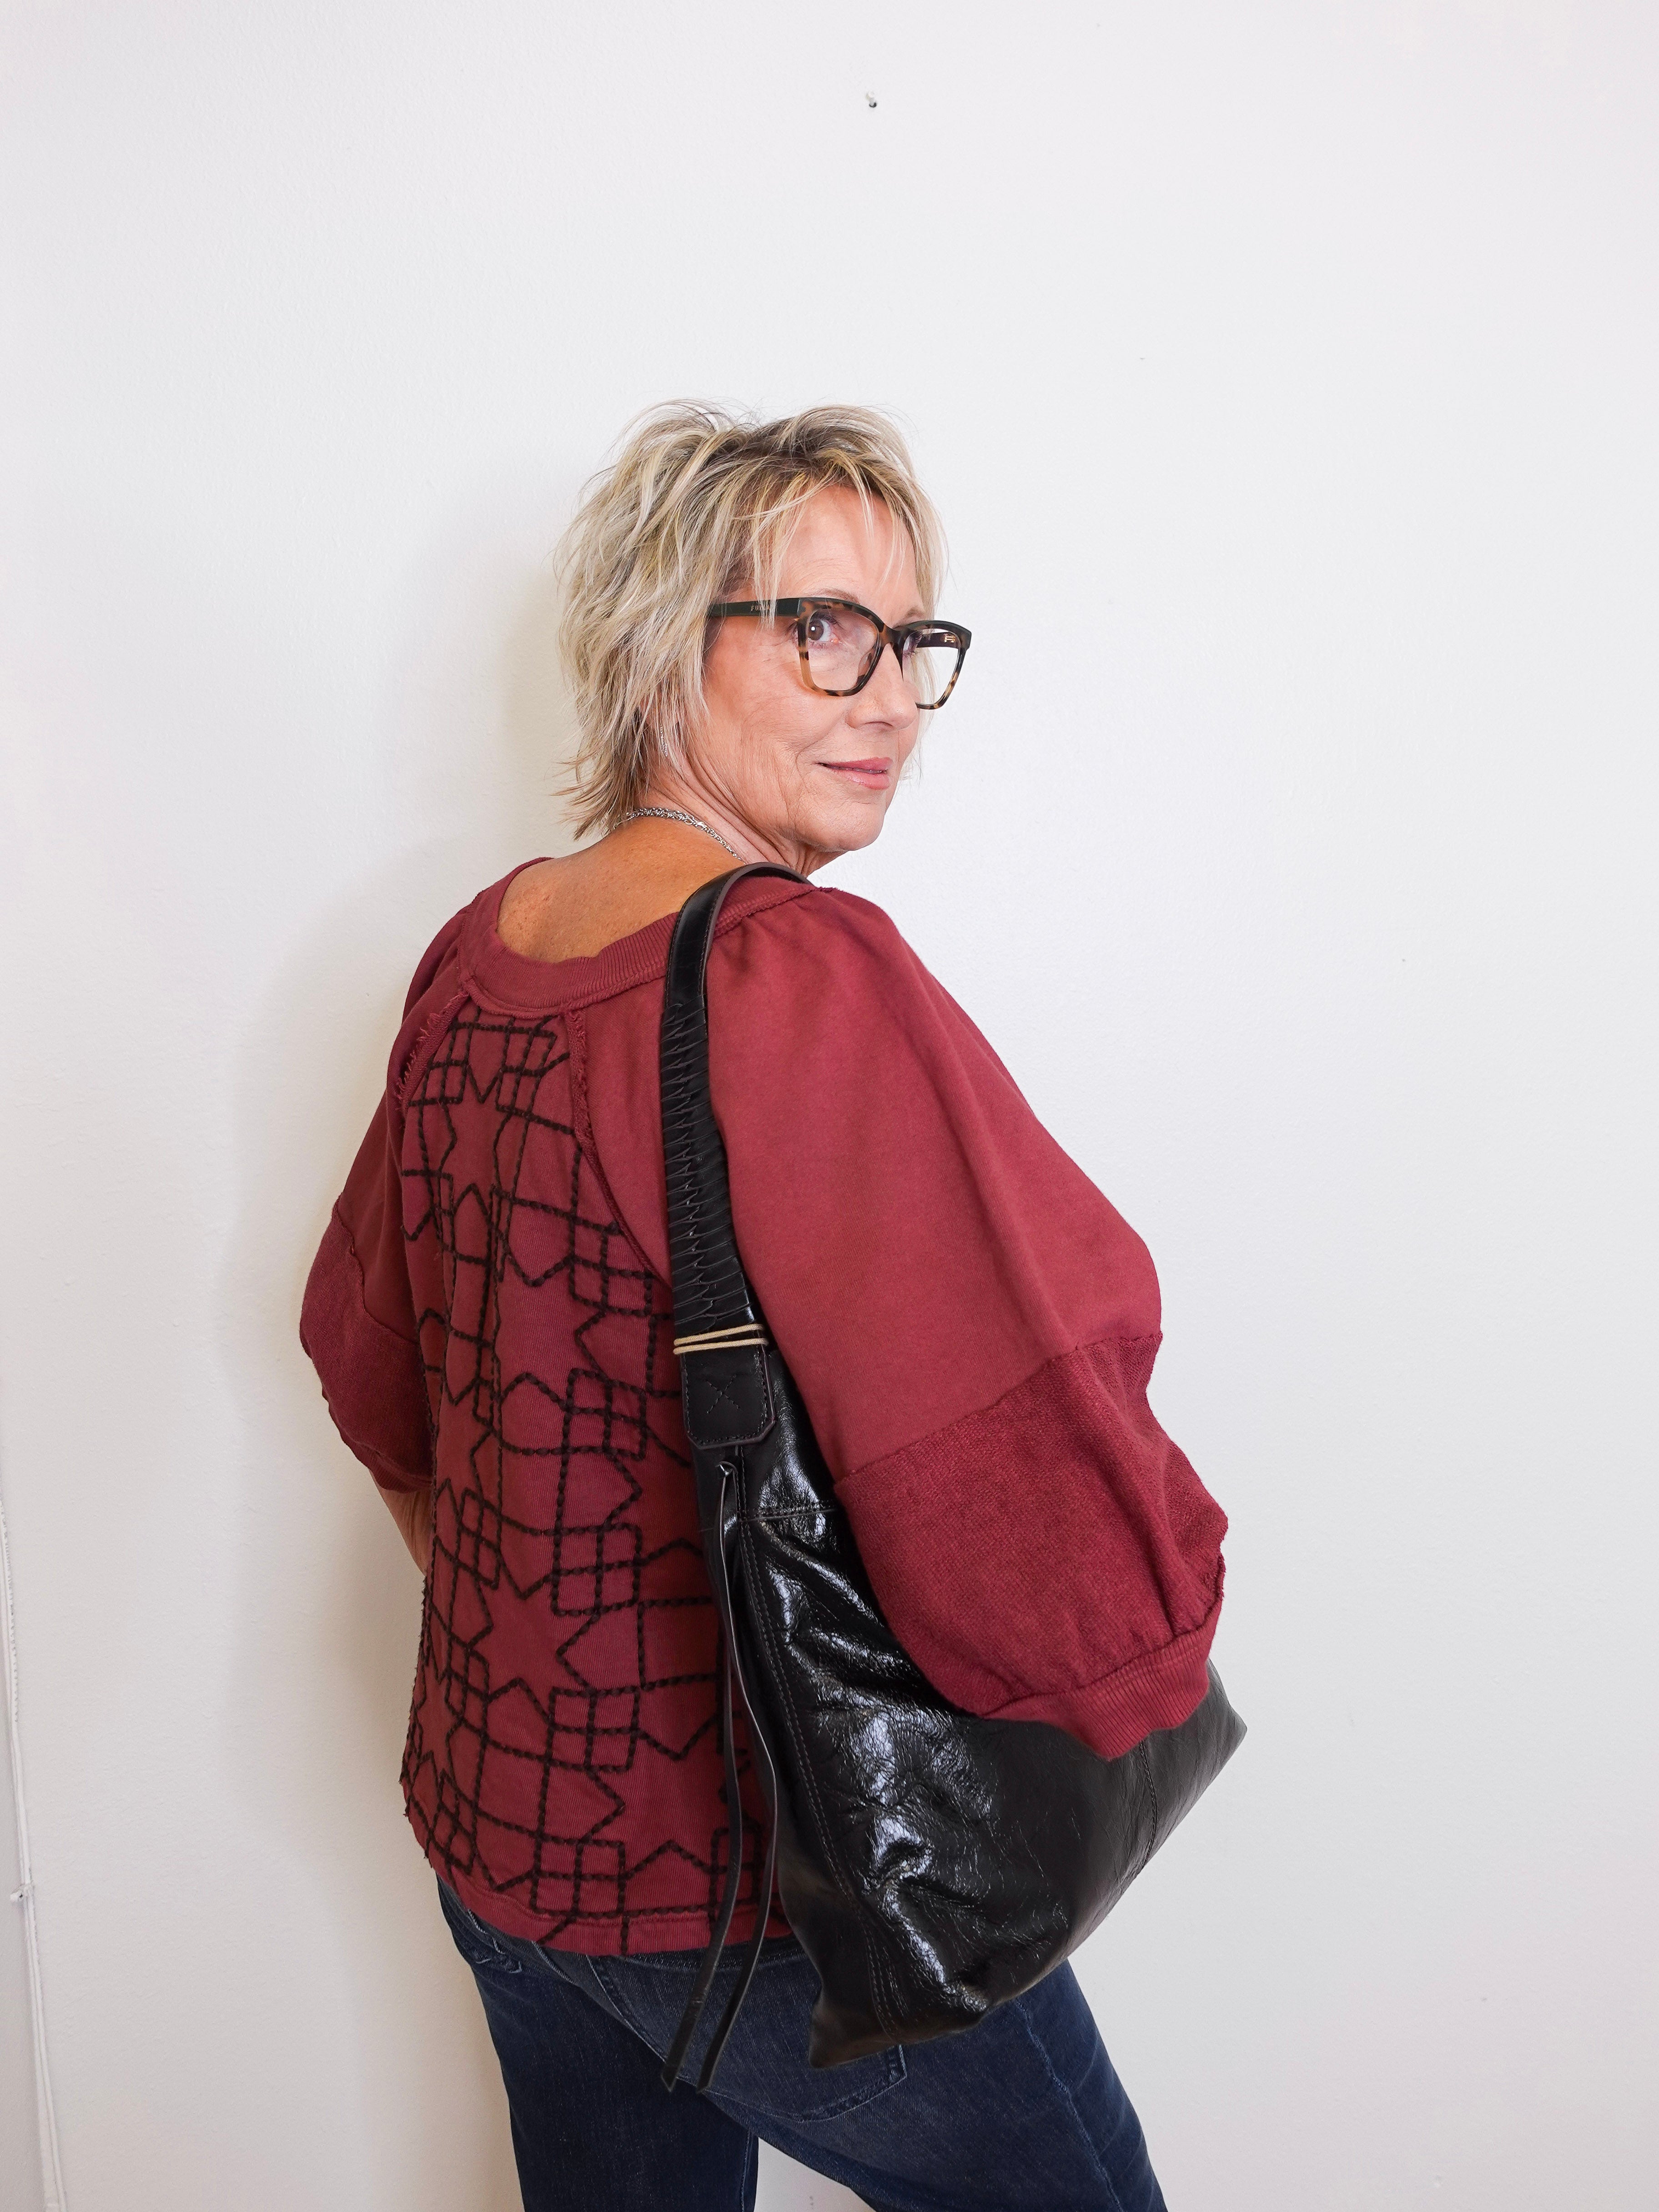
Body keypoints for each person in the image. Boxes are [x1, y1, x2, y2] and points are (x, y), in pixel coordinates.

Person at [301, 403, 1228, 2211]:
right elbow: (1010, 1426)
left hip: (503, 1856)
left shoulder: (486, 954)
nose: (889, 697)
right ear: (664, 640)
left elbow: (369, 1364)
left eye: (914, 643)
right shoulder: (791, 973)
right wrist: (1151, 1640)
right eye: (825, 629)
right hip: (764, 1891)